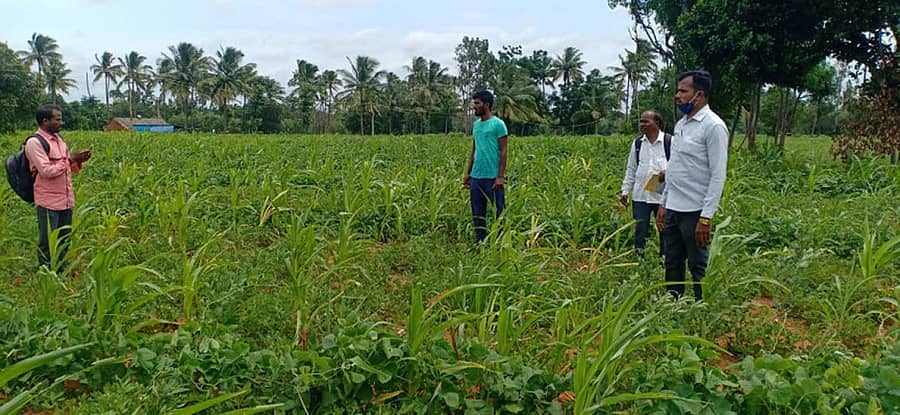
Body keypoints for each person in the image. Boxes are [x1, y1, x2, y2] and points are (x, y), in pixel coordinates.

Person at [656, 70, 728, 300]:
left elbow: (718, 175)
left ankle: (701, 309)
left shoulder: (713, 126)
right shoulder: (681, 125)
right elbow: (675, 167)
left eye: (683, 91)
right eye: (677, 91)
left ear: (700, 94)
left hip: (695, 211)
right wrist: (664, 202)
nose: (677, 95)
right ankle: (673, 304)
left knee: (698, 266)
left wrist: (706, 217)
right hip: (674, 208)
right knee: (672, 261)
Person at [25, 104, 92, 271]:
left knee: (64, 238)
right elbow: (46, 171)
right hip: (48, 200)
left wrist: (78, 160)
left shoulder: (60, 140)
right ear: (45, 121)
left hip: (66, 199)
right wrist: (70, 160)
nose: (61, 122)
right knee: (47, 239)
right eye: (57, 119)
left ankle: (61, 269)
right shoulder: (34, 143)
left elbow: (66, 167)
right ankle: (46, 272)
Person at [619, 110, 671, 256]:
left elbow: (680, 168)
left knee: (664, 229)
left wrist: (667, 173)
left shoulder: (669, 142)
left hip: (662, 197)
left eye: (646, 121)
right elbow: (631, 169)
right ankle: (640, 259)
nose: (642, 124)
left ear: (657, 123)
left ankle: (665, 259)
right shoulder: (637, 144)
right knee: (640, 229)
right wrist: (625, 191)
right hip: (640, 196)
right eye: (641, 121)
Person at [463, 90, 508, 243]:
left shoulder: (498, 124)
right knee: (477, 213)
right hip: (477, 176)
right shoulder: (476, 125)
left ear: (486, 105)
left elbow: (503, 151)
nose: (474, 106)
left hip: (493, 177)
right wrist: (468, 173)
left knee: (499, 212)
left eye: (477, 103)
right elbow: (474, 150)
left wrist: (500, 176)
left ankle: (500, 243)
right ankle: (480, 242)